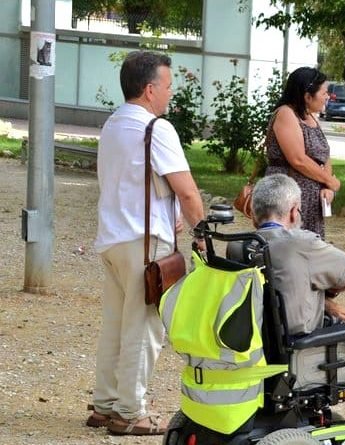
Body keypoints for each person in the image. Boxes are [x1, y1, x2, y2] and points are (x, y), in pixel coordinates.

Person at [91, 50, 205, 435]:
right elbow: (186, 192)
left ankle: (105, 404)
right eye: (168, 86)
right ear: (150, 88)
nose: (170, 94)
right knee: (145, 328)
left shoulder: (112, 125)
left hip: (112, 239)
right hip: (144, 242)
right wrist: (202, 234)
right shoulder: (156, 129)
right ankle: (131, 411)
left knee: (116, 326)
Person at [252, 174, 345, 335]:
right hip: (299, 345)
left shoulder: (239, 245)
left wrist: (324, 302)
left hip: (257, 339)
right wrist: (328, 291)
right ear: (293, 211)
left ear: (253, 215)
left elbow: (272, 291)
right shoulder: (301, 244)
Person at [265, 67, 340, 239]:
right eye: (324, 93)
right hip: (287, 196)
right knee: (288, 250)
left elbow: (323, 155)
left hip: (310, 200)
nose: (327, 97)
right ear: (307, 96)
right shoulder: (286, 113)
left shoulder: (311, 117)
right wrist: (329, 180)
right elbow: (297, 159)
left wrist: (327, 187)